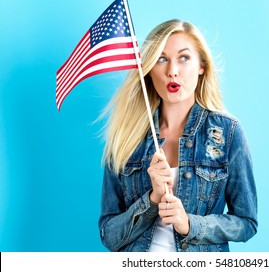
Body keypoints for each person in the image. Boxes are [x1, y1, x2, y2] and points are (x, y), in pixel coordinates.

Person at [98, 19, 257, 252]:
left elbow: (247, 223)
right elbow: (109, 235)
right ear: (150, 69)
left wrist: (190, 224)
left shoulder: (228, 134)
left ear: (202, 66)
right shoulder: (125, 137)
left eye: (184, 58)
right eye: (162, 59)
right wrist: (152, 199)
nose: (172, 71)